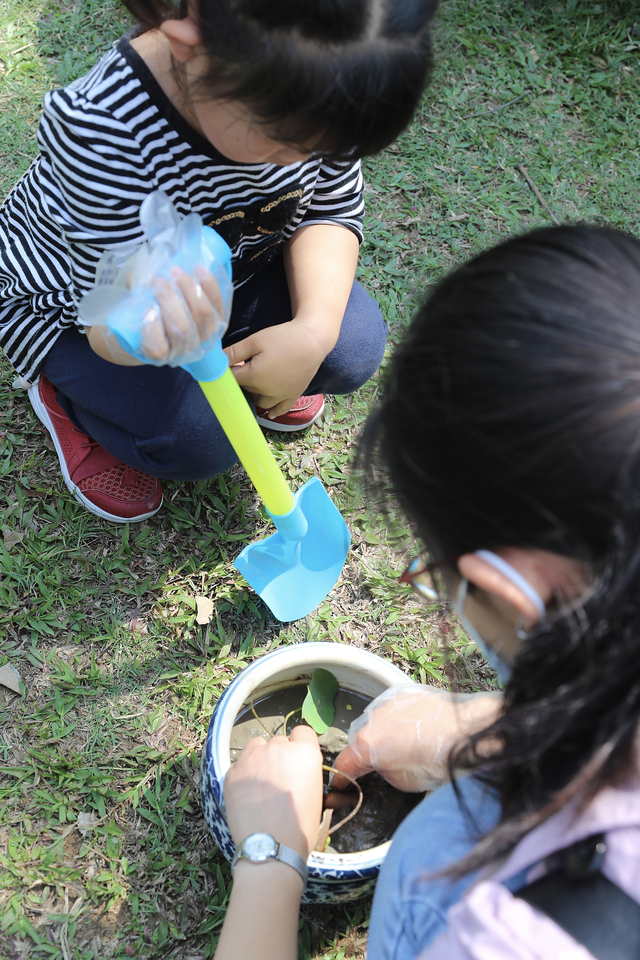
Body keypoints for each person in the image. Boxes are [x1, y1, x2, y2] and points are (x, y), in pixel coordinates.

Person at [218, 225, 640, 959]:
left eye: (435, 568)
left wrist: (269, 856)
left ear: (506, 587)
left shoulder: (523, 936)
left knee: (438, 846)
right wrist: (480, 731)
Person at [0, 0, 436, 523]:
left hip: (234, 268)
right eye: (285, 143)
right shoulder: (104, 131)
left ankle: (251, 365)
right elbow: (108, 318)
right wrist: (157, 336)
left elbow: (331, 207)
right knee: (201, 443)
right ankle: (63, 394)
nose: (302, 162)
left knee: (350, 347)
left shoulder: (331, 75)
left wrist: (312, 331)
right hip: (83, 310)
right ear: (193, 40)